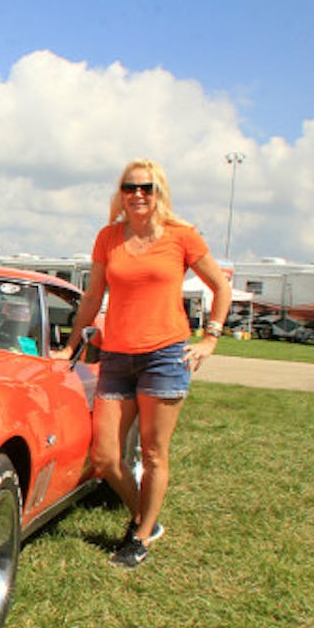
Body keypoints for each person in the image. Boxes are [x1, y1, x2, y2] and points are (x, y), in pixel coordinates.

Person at [61, 158, 231, 569]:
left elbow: (221, 287)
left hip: (165, 355)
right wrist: (70, 348)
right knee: (104, 457)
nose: (138, 194)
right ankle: (146, 519)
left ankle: (139, 536)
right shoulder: (108, 237)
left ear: (159, 193)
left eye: (147, 188)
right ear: (120, 193)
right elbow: (91, 297)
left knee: (154, 453)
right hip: (117, 355)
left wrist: (210, 338)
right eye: (129, 187)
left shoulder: (182, 236)